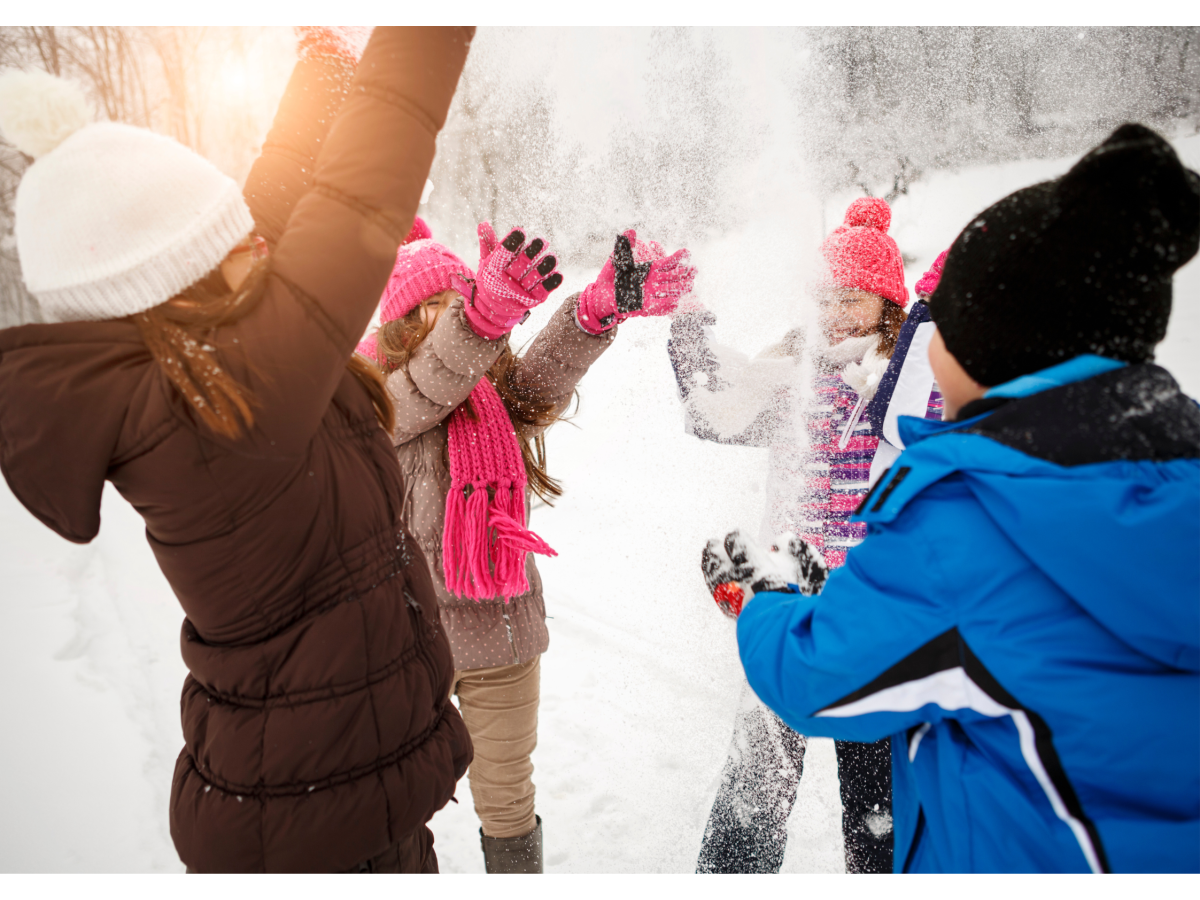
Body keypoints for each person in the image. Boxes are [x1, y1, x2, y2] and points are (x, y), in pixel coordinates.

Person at [0, 27, 475, 872]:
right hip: (316, 840)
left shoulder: (193, 374)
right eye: (232, 241)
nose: (261, 242)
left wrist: (321, 72)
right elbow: (363, 186)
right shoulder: (227, 412)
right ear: (174, 283)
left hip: (326, 800)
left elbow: (274, 197)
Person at [711, 123, 1200, 873]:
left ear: (994, 351)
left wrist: (765, 600)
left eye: (945, 330)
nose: (928, 350)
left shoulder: (967, 528)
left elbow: (814, 672)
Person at [357, 227, 694, 872]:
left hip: (498, 637)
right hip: (402, 646)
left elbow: (541, 379)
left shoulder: (487, 390)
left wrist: (593, 313)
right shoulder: (372, 397)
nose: (451, 318)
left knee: (508, 804)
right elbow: (430, 386)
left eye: (460, 303)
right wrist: (479, 324)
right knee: (389, 804)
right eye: (435, 307)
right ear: (399, 324)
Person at [668, 198, 942, 873]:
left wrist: (940, 320)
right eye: (825, 299)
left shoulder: (907, 383)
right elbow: (716, 412)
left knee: (878, 800)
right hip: (788, 596)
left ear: (886, 304)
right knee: (755, 788)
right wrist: (688, 328)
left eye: (853, 298)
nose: (836, 314)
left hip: (873, 609)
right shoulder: (792, 371)